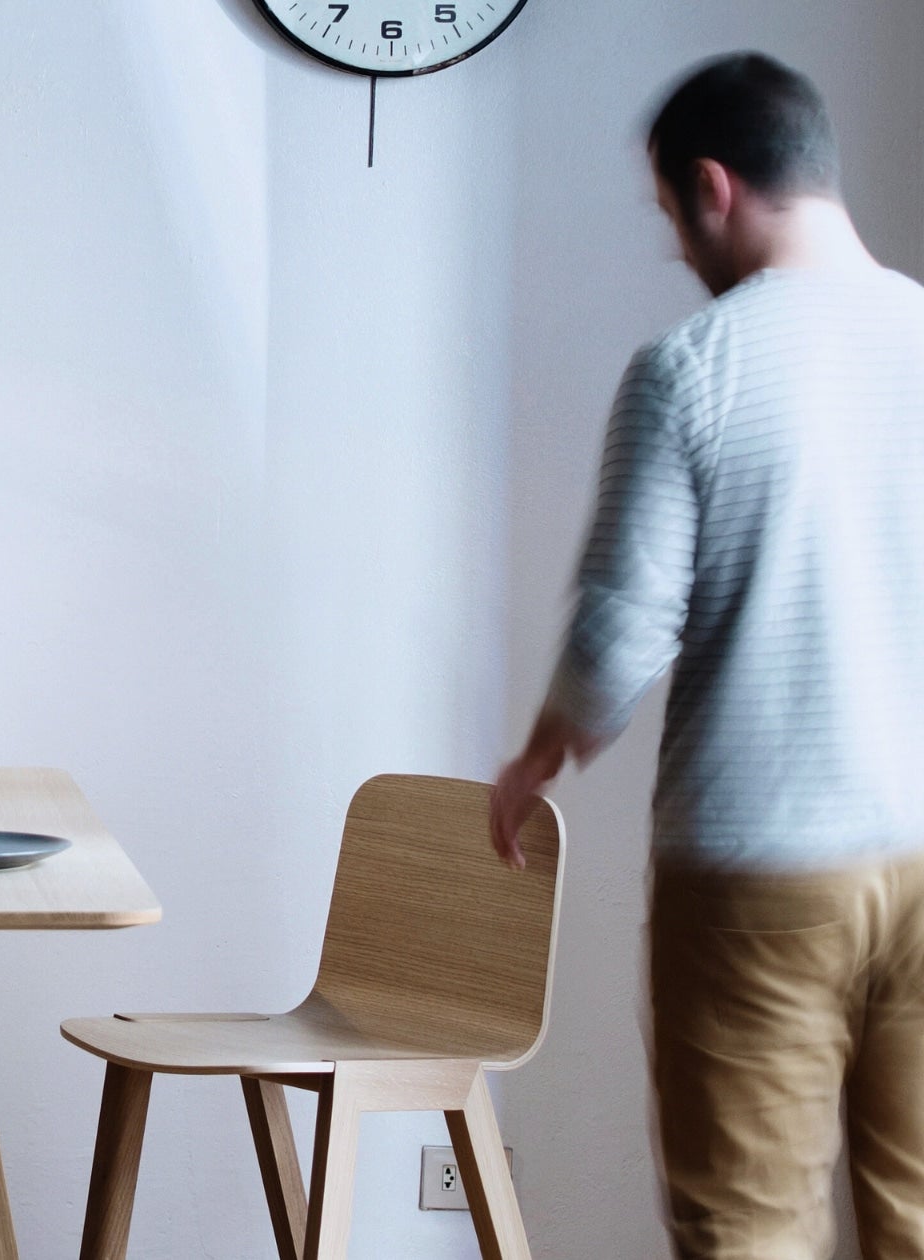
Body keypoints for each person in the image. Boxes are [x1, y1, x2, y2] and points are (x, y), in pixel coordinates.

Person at [491, 52, 924, 1259]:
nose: (677, 249)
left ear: (711, 187)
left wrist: (537, 753)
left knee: (745, 1228)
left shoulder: (692, 368)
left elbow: (620, 626)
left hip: (760, 864)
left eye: (669, 217)